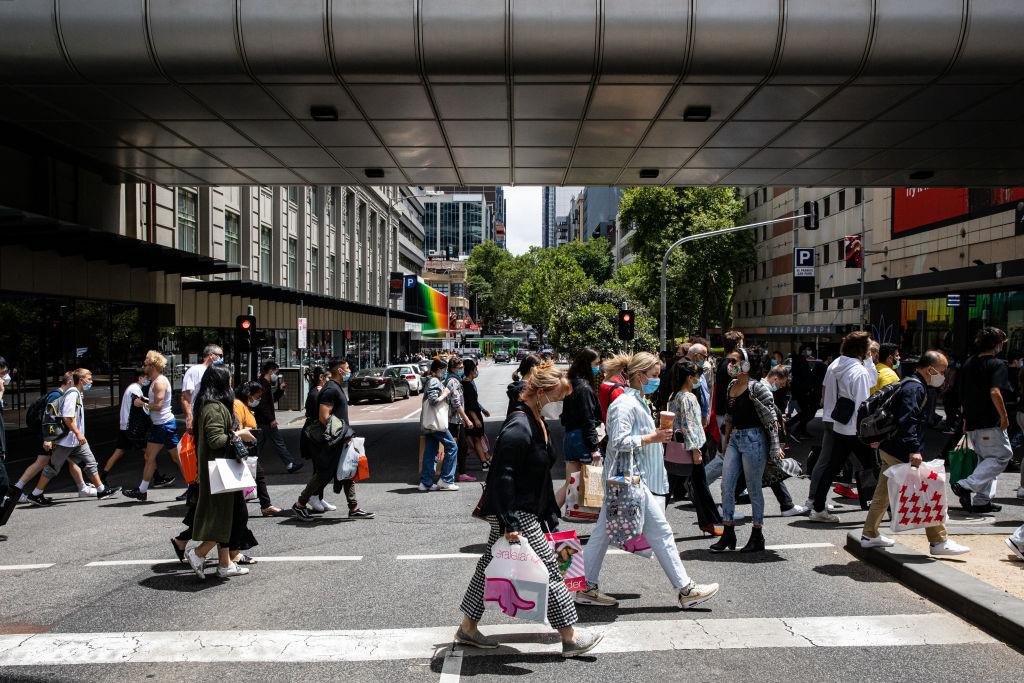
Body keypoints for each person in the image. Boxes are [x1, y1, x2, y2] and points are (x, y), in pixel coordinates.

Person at [455, 362, 603, 658]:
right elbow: (503, 475)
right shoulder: (519, 426)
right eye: (558, 398)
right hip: (516, 512)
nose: (560, 406)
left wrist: (548, 508)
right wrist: (509, 522)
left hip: (526, 509)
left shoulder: (537, 420)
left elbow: (538, 473)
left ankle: (468, 627)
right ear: (543, 393)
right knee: (550, 570)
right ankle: (570, 637)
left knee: (488, 568)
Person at [579, 352, 720, 610]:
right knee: (658, 533)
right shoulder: (623, 404)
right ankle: (685, 589)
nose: (658, 380)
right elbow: (618, 441)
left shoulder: (638, 401)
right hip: (629, 479)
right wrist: (651, 438)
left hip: (631, 479)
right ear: (641, 376)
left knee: (605, 533)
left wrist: (656, 437)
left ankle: (585, 585)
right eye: (655, 375)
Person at [859, 350, 969, 556]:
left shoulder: (911, 384)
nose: (944, 376)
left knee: (883, 494)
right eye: (943, 371)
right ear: (930, 369)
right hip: (902, 449)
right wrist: (914, 450)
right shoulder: (914, 388)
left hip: (891, 448)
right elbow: (908, 420)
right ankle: (938, 541)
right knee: (927, 488)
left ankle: (869, 534)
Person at [183, 366, 258, 579]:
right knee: (225, 517)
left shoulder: (211, 406)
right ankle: (198, 553)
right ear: (221, 383)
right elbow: (216, 440)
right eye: (229, 380)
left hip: (220, 469)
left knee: (229, 515)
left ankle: (225, 564)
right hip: (219, 470)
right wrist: (240, 434)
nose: (232, 384)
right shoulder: (214, 408)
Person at [710, 346, 778, 552]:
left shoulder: (758, 388)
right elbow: (729, 416)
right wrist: (725, 440)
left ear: (747, 364)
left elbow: (771, 419)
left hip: (754, 439)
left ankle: (757, 534)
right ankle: (728, 532)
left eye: (736, 361)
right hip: (735, 439)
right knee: (726, 485)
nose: (731, 365)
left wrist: (775, 447)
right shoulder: (731, 384)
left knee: (753, 487)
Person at [807, 332, 878, 523]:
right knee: (873, 468)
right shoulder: (859, 371)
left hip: (838, 424)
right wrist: (869, 435)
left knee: (831, 466)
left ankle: (818, 507)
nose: (870, 351)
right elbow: (863, 404)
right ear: (862, 350)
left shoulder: (835, 365)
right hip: (855, 429)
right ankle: (884, 509)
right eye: (869, 348)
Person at [293, 358, 374, 518]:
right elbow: (324, 416)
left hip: (340, 439)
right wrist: (343, 432)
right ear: (340, 371)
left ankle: (354, 508)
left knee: (348, 471)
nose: (349, 370)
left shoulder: (335, 387)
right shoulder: (330, 389)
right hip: (333, 441)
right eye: (347, 368)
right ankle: (300, 504)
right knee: (324, 473)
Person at [30, 368, 120, 502]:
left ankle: (101, 490)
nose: (91, 382)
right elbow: (67, 417)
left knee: (90, 462)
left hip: (75, 441)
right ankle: (36, 494)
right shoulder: (73, 394)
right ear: (81, 380)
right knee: (53, 467)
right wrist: (78, 433)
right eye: (89, 379)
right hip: (67, 440)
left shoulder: (76, 393)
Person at [951, 327, 1013, 513]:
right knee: (1001, 456)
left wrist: (964, 419)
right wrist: (1004, 416)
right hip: (990, 421)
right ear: (997, 344)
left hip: (972, 421)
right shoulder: (997, 364)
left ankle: (982, 501)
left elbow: (962, 394)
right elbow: (995, 391)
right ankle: (966, 484)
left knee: (986, 461)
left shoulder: (969, 363)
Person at [14, 372, 95, 505]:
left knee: (71, 460)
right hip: (49, 437)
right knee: (42, 462)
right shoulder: (56, 396)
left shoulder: (64, 395)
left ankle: (82, 487)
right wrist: (48, 439)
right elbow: (49, 419)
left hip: (57, 437)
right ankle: (17, 491)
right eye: (74, 383)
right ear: (69, 382)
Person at [668, 359, 721, 536]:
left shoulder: (675, 396)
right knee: (698, 485)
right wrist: (695, 450)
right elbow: (690, 425)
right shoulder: (688, 397)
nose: (699, 379)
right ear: (690, 378)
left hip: (676, 447)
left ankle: (707, 522)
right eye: (697, 376)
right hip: (692, 447)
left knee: (673, 485)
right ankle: (708, 522)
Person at [123, 351, 183, 501]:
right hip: (158, 425)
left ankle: (194, 487)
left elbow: (158, 406)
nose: (143, 366)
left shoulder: (159, 383)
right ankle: (142, 491)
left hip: (165, 425)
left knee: (177, 458)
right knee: (149, 456)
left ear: (153, 365)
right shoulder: (155, 381)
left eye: (145, 364)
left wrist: (141, 403)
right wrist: (144, 399)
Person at [556, 348, 603, 509]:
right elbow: (588, 419)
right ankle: (600, 522)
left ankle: (549, 514)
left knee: (570, 482)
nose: (598, 367)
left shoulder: (571, 384)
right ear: (587, 365)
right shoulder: (585, 388)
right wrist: (594, 447)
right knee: (594, 481)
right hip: (583, 439)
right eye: (596, 364)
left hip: (570, 437)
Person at [234, 381, 282, 517]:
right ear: (249, 394)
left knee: (258, 475)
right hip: (243, 446)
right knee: (250, 476)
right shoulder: (237, 404)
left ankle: (266, 505)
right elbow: (237, 427)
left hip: (250, 446)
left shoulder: (245, 405)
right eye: (257, 396)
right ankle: (264, 505)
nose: (258, 399)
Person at [103, 367, 154, 479]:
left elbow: (141, 398)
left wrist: (147, 400)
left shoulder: (133, 388)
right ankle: (158, 478)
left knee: (118, 453)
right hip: (131, 428)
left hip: (124, 427)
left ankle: (102, 477)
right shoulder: (134, 389)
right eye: (147, 378)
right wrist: (151, 404)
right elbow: (137, 401)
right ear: (140, 378)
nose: (149, 380)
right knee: (150, 453)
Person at [418, 359, 459, 492]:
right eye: (443, 369)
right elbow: (434, 401)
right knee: (452, 447)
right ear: (437, 370)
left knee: (430, 451)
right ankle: (446, 479)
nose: (445, 372)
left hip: (430, 423)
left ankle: (426, 483)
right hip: (436, 423)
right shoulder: (435, 381)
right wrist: (445, 394)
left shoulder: (432, 380)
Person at [254, 360, 301, 474]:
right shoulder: (262, 385)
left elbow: (271, 400)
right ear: (270, 371)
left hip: (264, 420)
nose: (276, 375)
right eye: (276, 372)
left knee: (259, 443)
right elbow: (263, 405)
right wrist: (271, 419)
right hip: (266, 420)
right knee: (277, 442)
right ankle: (290, 464)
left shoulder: (265, 384)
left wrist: (280, 390)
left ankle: (251, 462)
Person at [298, 365, 332, 513]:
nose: (329, 380)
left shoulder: (318, 392)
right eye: (328, 377)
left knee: (320, 467)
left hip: (315, 432)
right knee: (320, 468)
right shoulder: (315, 394)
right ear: (321, 377)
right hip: (314, 434)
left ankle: (318, 496)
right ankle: (313, 496)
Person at [181, 344, 223, 434]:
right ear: (211, 355)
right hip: (199, 417)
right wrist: (189, 417)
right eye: (220, 355)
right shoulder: (195, 370)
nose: (222, 358)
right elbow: (185, 397)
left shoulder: (219, 372)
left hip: (215, 417)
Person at [446, 356, 474, 483]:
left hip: (455, 419)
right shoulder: (454, 381)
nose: (462, 370)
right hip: (455, 420)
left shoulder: (451, 379)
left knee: (460, 446)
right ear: (454, 368)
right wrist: (467, 419)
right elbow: (456, 403)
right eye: (460, 368)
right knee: (457, 447)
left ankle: (458, 472)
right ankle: (454, 474)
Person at [461, 358, 491, 474]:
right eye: (475, 369)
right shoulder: (467, 385)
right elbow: (470, 404)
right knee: (477, 439)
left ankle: (485, 459)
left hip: (472, 416)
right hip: (473, 417)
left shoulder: (465, 383)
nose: (476, 371)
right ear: (473, 370)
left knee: (476, 439)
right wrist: (476, 419)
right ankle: (484, 462)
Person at [714, 331, 745, 436]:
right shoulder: (732, 365)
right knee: (727, 447)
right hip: (727, 414)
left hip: (723, 411)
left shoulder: (724, 362)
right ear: (737, 345)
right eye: (742, 344)